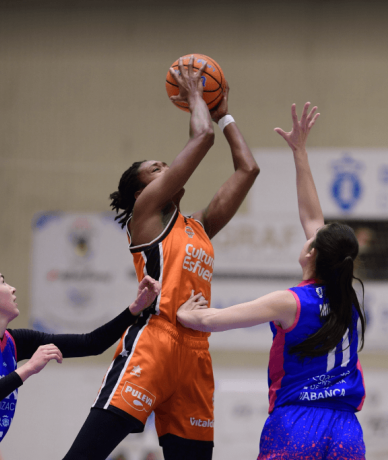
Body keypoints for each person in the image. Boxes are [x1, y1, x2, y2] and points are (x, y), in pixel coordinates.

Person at [63, 55, 260, 460]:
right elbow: (200, 138)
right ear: (141, 193)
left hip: (196, 353)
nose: (167, 168)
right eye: (156, 169)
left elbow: (248, 170)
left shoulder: (198, 227)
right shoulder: (146, 215)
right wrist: (195, 96)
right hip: (154, 342)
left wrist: (225, 115)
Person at [177, 102, 367, 459]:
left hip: (296, 424)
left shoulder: (291, 302)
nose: (308, 235)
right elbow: (312, 216)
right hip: (346, 429)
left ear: (312, 255)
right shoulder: (348, 298)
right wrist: (300, 152)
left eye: (311, 239)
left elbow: (214, 320)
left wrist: (184, 313)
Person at [0, 261, 160, 460]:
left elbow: (91, 343)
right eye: (2, 282)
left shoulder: (13, 341)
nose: (12, 288)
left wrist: (134, 309)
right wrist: (27, 369)